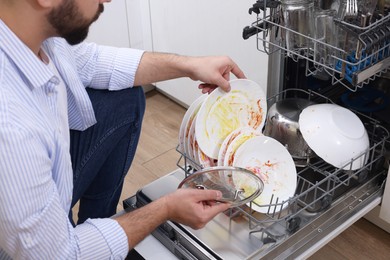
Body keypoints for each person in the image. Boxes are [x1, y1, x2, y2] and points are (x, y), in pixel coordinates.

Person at [0, 0, 247, 259]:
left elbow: (93, 62)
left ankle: (98, 226)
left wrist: (189, 66)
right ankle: (87, 239)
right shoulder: (10, 126)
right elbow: (62, 255)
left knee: (124, 100)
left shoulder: (32, 35)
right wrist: (164, 208)